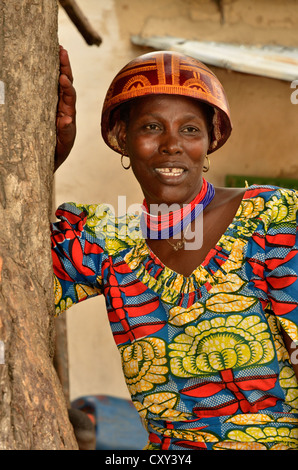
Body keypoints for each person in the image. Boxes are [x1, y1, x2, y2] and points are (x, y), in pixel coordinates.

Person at [53, 46, 298, 450]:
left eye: (190, 130)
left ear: (209, 142)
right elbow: (18, 280)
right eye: (151, 127)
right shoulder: (104, 241)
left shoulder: (271, 220)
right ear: (123, 140)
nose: (172, 145)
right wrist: (53, 158)